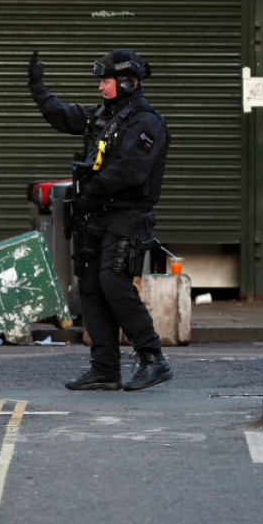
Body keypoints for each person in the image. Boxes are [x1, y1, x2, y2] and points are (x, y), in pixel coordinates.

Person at [28, 49, 173, 391]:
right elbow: (62, 115)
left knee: (113, 282)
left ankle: (153, 358)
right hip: (97, 216)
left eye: (106, 82)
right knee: (90, 287)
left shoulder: (146, 123)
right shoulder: (103, 117)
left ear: (126, 82)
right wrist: (38, 89)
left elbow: (131, 170)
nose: (101, 88)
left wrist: (92, 187)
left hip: (128, 216)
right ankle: (105, 367)